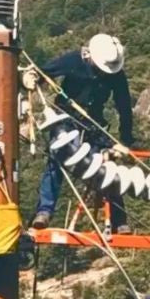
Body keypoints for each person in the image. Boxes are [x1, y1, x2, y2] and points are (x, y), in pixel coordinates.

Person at [32, 33, 136, 233]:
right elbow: (44, 72)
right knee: (57, 160)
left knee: (106, 166)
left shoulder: (116, 75)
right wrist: (32, 77)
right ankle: (44, 211)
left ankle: (119, 220)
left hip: (93, 124)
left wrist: (125, 140)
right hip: (65, 118)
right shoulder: (74, 61)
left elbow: (124, 107)